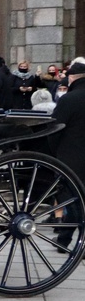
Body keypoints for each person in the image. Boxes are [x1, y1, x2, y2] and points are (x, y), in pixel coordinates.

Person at [49, 58, 85, 250]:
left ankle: (66, 239)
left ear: (71, 79)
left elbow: (54, 130)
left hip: (71, 157)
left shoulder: (69, 100)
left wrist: (55, 152)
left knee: (72, 199)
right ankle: (65, 238)